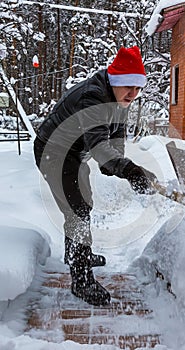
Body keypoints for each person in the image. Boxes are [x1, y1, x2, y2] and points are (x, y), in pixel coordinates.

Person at [33, 46, 156, 306]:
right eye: (128, 87)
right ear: (116, 80)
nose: (133, 94)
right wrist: (130, 169)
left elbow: (115, 140)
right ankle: (81, 280)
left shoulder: (119, 98)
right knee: (77, 209)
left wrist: (121, 167)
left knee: (83, 202)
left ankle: (76, 254)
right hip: (53, 152)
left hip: (74, 154)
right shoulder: (94, 97)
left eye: (137, 88)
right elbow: (100, 148)